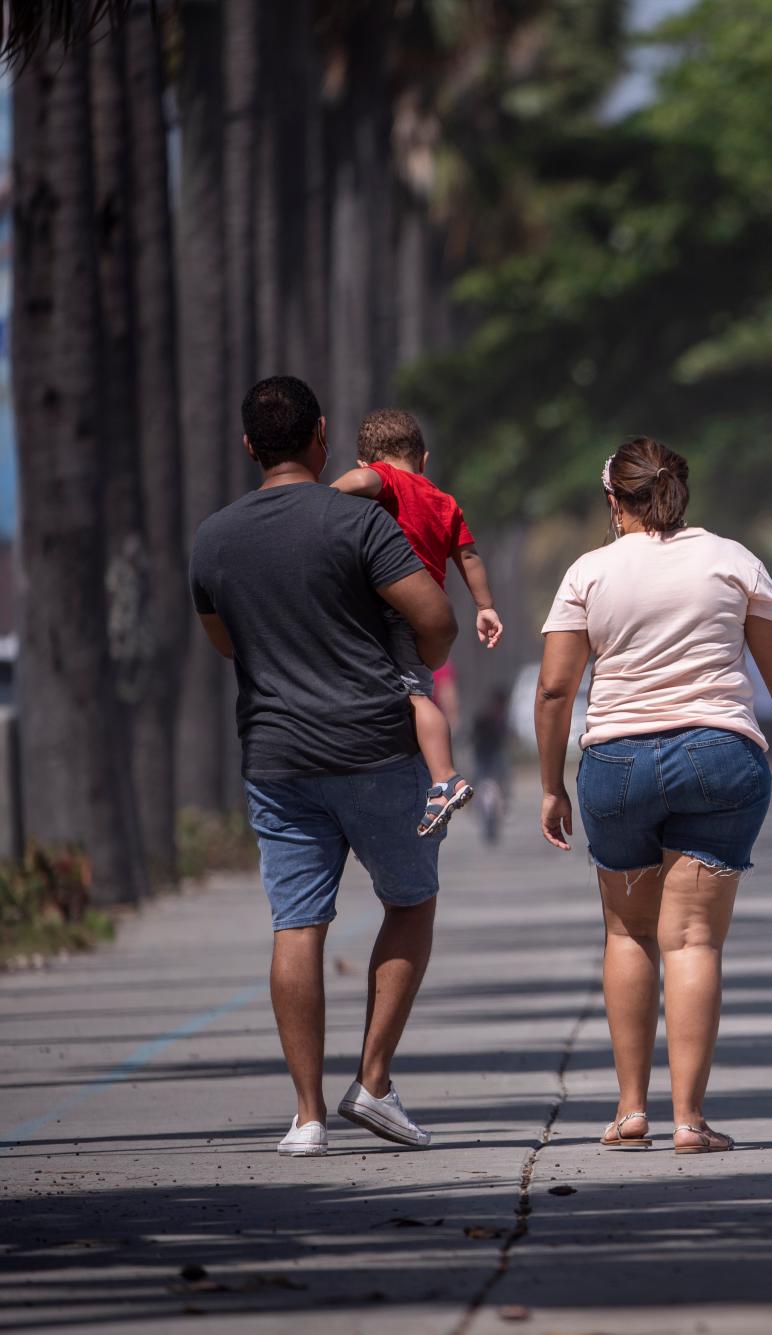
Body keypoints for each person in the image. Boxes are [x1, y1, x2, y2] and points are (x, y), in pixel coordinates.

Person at [189, 376, 457, 1157]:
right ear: (322, 437)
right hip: (374, 744)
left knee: (297, 923)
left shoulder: (213, 537)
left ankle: (305, 1116)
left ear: (248, 446)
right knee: (411, 898)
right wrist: (415, 666)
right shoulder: (357, 521)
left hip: (276, 755)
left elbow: (225, 643)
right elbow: (434, 620)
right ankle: (372, 1082)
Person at [536, 437, 772, 1154]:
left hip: (617, 764)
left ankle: (632, 1109)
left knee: (628, 932)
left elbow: (555, 689)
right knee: (693, 939)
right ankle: (690, 1120)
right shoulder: (732, 560)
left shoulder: (588, 573)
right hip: (720, 757)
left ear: (613, 501)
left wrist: (549, 784)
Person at [329, 410, 503, 835]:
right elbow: (469, 556)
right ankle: (437, 774)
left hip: (392, 605)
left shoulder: (384, 481)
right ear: (423, 459)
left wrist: (321, 499)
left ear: (367, 462)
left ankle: (445, 778)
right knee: (419, 689)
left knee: (414, 698)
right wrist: (485, 606)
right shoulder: (445, 502)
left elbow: (361, 485)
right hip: (429, 611)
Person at [469, 687, 512, 846]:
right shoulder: (487, 716)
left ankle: (505, 803)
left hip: (493, 756)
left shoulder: (501, 718)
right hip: (484, 756)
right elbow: (474, 736)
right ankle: (473, 805)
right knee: (479, 781)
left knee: (503, 778)